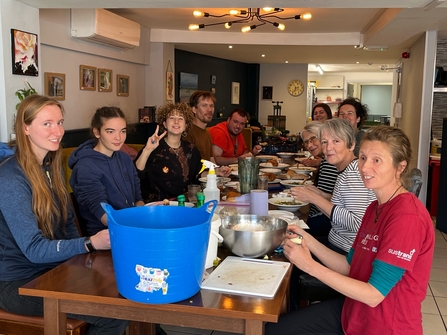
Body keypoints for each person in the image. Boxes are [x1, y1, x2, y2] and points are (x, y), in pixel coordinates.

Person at [266, 125, 435, 335]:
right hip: (353, 312)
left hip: (384, 326)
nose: (364, 168)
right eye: (363, 158)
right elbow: (349, 266)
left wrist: (309, 265)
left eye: (377, 160)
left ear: (400, 166)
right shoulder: (374, 207)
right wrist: (307, 240)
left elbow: (374, 295)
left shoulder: (407, 218)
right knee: (276, 329)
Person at [0, 95, 129, 334]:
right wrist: (90, 243)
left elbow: (68, 224)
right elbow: (35, 250)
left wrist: (83, 260)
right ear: (25, 128)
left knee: (126, 289)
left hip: (54, 269)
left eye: (59, 123)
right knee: (114, 314)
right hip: (18, 284)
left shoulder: (52, 166)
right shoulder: (10, 178)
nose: (57, 131)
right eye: (47, 123)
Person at [291, 118, 376, 253]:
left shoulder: (353, 174)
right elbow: (344, 206)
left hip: (346, 252)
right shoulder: (347, 169)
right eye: (324, 142)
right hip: (337, 243)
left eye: (336, 141)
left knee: (289, 252)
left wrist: (314, 198)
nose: (328, 148)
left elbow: (357, 223)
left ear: (351, 145)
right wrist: (322, 195)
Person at [69, 107, 145, 236]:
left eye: (123, 131)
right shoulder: (85, 167)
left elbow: (137, 198)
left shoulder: (124, 158)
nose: (118, 137)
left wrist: (146, 213)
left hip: (131, 228)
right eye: (110, 131)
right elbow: (104, 217)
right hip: (105, 237)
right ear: (97, 132)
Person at [135, 102, 202, 202]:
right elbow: (136, 174)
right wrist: (147, 150)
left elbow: (198, 174)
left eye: (181, 118)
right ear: (164, 124)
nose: (176, 122)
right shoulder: (154, 146)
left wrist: (217, 172)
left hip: (183, 203)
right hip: (156, 205)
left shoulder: (191, 149)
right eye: (172, 118)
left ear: (186, 125)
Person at [299, 122, 338, 234]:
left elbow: (327, 200)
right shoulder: (325, 159)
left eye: (313, 139)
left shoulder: (330, 160)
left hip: (328, 220)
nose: (310, 145)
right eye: (306, 142)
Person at [186, 90, 231, 176]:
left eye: (211, 106)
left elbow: (211, 160)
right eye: (204, 106)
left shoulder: (207, 134)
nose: (209, 110)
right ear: (194, 109)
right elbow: (189, 170)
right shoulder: (188, 133)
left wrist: (220, 170)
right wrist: (215, 173)